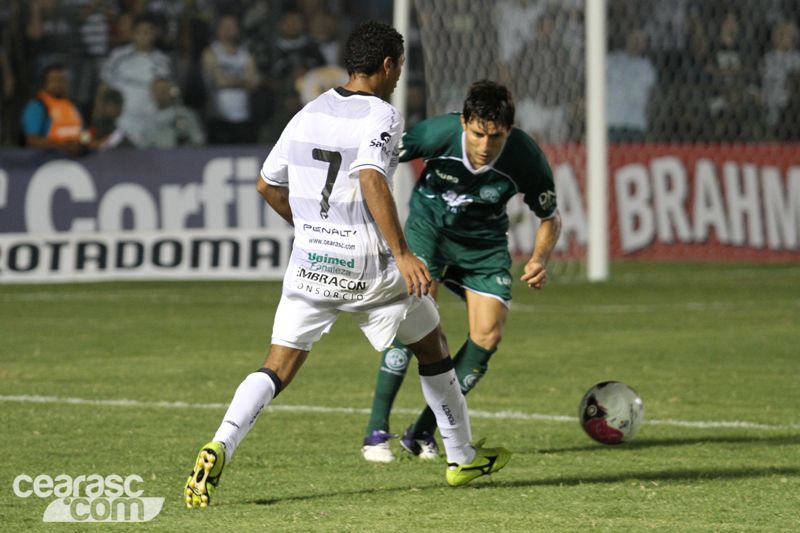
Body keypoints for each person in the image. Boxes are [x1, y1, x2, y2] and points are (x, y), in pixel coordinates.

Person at [183, 21, 510, 509]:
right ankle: (460, 457)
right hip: (369, 265)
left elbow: (267, 185)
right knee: (434, 345)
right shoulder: (381, 114)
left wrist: (314, 229)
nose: (399, 76)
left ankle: (220, 444)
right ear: (385, 66)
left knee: (277, 366)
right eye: (398, 66)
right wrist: (403, 254)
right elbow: (372, 177)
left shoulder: (307, 113)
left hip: (310, 264)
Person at [360, 79, 561, 463]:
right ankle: (375, 432)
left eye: (496, 136)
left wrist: (538, 258)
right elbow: (375, 164)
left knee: (487, 334)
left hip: (483, 246)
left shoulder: (526, 158)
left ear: (510, 130)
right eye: (478, 133)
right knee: (416, 320)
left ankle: (422, 431)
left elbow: (550, 218)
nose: (485, 146)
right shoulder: (436, 133)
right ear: (464, 121)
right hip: (428, 231)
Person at [93, 14, 173, 148]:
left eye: (149, 32)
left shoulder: (163, 61)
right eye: (142, 33)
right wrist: (96, 118)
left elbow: (167, 96)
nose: (145, 37)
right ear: (133, 34)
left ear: (155, 34)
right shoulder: (117, 57)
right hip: (121, 121)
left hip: (150, 121)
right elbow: (103, 88)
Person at [201, 14, 260, 145]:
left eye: (232, 26)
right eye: (225, 26)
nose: (229, 30)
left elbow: (254, 83)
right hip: (218, 119)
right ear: (218, 29)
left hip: (244, 118)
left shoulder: (246, 54)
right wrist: (242, 81)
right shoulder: (210, 53)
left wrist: (230, 81)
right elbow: (219, 82)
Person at [21, 63, 101, 155]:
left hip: (77, 161)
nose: (60, 84)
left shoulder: (73, 105)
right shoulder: (37, 106)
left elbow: (84, 134)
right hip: (47, 161)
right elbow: (32, 141)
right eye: (55, 80)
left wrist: (86, 142)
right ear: (45, 83)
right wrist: (63, 146)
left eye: (64, 80)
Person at [140, 77, 205, 148]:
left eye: (164, 90)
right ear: (151, 93)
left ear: (172, 92)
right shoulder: (147, 118)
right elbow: (144, 145)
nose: (161, 93)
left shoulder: (185, 114)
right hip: (156, 157)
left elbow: (199, 141)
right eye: (157, 90)